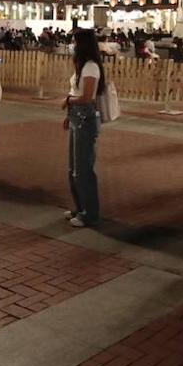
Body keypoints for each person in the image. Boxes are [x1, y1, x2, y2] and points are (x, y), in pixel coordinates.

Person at [62, 29, 106, 227]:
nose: (73, 47)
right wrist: (68, 114)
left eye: (75, 43)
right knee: (73, 168)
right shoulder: (82, 66)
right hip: (76, 116)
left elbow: (87, 97)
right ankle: (80, 207)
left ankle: (90, 213)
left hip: (84, 118)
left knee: (83, 168)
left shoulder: (90, 67)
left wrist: (69, 100)